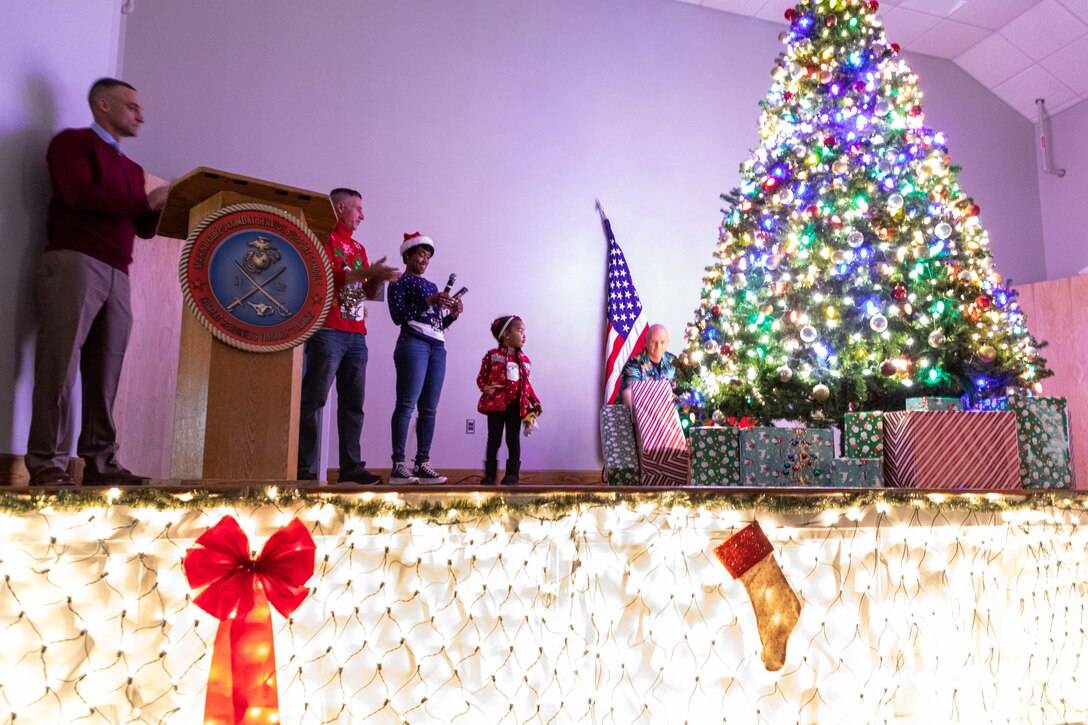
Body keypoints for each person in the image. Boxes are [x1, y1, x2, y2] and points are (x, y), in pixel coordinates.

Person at [25, 78, 169, 486]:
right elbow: (79, 196)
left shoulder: (132, 168)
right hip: (75, 260)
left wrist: (162, 210)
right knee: (60, 362)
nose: (141, 115)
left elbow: (141, 227)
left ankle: (100, 462)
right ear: (103, 105)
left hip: (117, 270)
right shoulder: (71, 144)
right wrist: (145, 202)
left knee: (107, 369)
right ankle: (48, 463)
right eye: (132, 106)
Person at [296, 188, 401, 485]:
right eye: (358, 209)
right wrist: (367, 272)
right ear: (340, 207)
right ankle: (303, 467)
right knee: (313, 399)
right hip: (328, 329)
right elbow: (329, 275)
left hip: (357, 334)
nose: (362, 215)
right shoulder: (322, 238)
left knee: (353, 404)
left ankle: (351, 469)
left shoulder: (360, 248)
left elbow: (368, 293)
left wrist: (377, 279)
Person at [387, 232, 463, 484]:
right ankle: (399, 464)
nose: (425, 260)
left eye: (428, 257)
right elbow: (399, 315)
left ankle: (422, 462)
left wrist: (453, 314)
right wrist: (430, 300)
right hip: (413, 343)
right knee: (407, 403)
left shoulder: (430, 285)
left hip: (436, 346)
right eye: (421, 254)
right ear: (408, 254)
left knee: (429, 408)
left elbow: (436, 321)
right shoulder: (399, 281)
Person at [476, 315, 541, 485]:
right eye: (520, 331)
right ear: (506, 335)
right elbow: (481, 378)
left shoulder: (525, 361)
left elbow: (527, 385)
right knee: (494, 440)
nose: (524, 335)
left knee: (513, 440)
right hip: (495, 407)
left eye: (524, 332)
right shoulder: (492, 356)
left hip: (515, 407)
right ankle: (490, 475)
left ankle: (512, 474)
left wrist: (535, 401)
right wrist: (485, 388)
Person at [619, 324, 676, 406]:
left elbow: (681, 391)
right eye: (653, 342)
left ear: (667, 341)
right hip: (639, 414)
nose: (658, 347)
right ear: (646, 340)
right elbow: (628, 395)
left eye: (662, 342)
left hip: (668, 413)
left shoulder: (673, 361)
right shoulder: (633, 364)